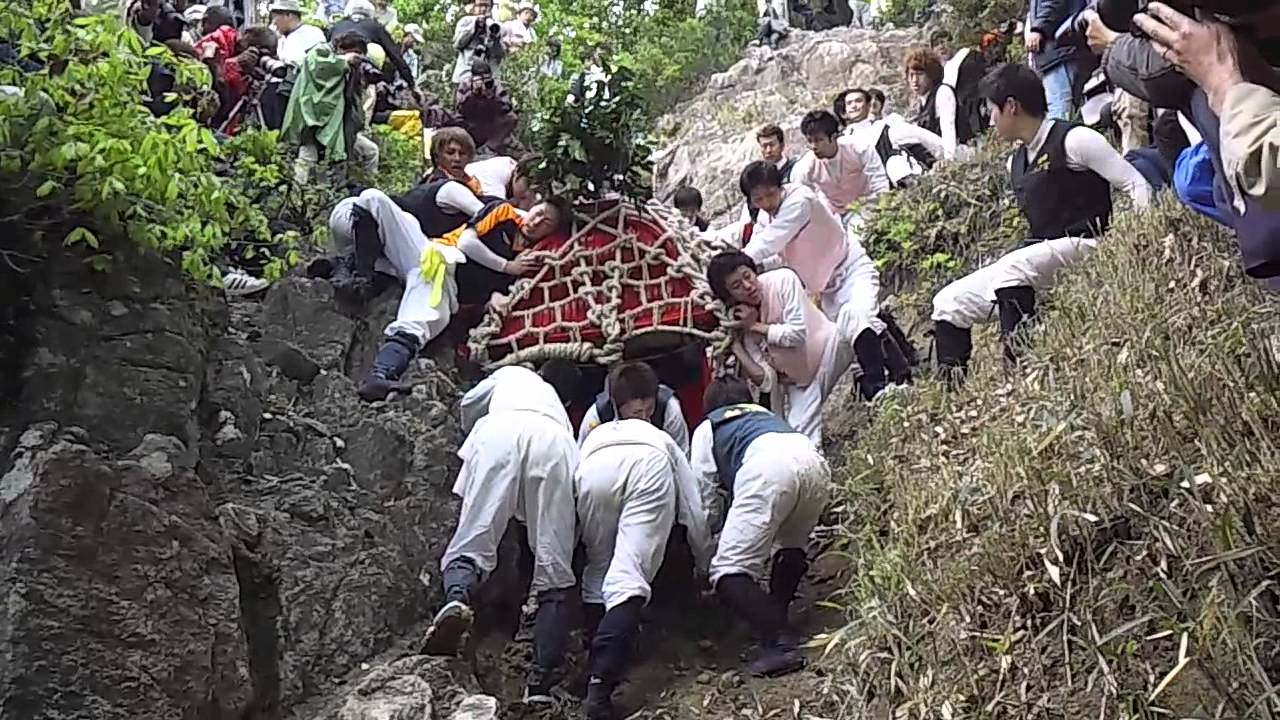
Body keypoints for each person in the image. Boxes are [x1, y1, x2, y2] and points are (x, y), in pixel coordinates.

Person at [931, 63, 1152, 377]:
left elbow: (1135, 184)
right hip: (1039, 252)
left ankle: (1019, 370)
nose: (989, 119)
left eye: (991, 109)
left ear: (1011, 107)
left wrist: (1141, 246)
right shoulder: (1016, 161)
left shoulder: (1074, 140)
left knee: (1012, 267)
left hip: (1087, 243)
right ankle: (951, 394)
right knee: (947, 301)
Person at [325, 129, 568, 400]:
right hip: (432, 250)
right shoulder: (501, 211)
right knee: (376, 200)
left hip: (439, 273)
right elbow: (467, 242)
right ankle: (356, 266)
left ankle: (381, 374)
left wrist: (497, 296)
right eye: (538, 213)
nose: (537, 221)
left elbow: (496, 288)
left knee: (429, 315)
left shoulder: (526, 258)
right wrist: (507, 266)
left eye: (546, 222)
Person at [422, 361, 582, 704]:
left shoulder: (513, 374)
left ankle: (456, 599)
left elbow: (470, 405)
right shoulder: (562, 416)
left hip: (499, 431)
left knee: (476, 530)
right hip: (555, 444)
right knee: (554, 564)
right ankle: (540, 680)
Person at [576, 366, 712, 720]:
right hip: (648, 468)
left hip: (592, 469)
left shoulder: (602, 425)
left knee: (599, 566)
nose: (647, 416)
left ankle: (594, 652)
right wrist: (704, 559)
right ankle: (601, 686)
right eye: (639, 411)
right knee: (628, 576)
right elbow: (690, 493)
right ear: (617, 403)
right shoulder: (651, 429)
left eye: (650, 410)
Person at [690, 377, 830, 676]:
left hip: (766, 471)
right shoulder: (766, 416)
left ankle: (779, 640)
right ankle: (777, 615)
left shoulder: (709, 427)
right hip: (812, 463)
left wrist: (709, 540)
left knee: (727, 570)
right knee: (791, 545)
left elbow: (705, 492)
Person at [737, 161, 892, 402]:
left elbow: (769, 243)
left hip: (848, 267)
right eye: (758, 200)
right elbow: (769, 255)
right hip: (825, 287)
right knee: (852, 328)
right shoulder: (765, 220)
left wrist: (737, 264)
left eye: (770, 194)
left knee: (859, 313)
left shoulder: (799, 199)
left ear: (781, 187)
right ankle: (898, 369)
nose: (767, 203)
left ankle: (881, 383)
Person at [707, 252, 859, 445]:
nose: (748, 286)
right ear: (729, 296)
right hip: (802, 382)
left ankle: (879, 378)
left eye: (748, 276)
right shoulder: (739, 321)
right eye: (737, 286)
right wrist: (737, 348)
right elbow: (767, 381)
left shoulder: (782, 280)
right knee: (802, 439)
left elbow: (797, 334)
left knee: (852, 316)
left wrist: (755, 326)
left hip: (830, 347)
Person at [283, 32, 380, 184]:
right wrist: (342, 61)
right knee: (307, 158)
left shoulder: (349, 67)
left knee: (368, 152)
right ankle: (295, 196)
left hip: (338, 124)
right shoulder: (320, 52)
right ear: (341, 48)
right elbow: (318, 69)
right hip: (313, 118)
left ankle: (363, 189)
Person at [790, 109, 890, 219]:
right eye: (810, 141)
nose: (814, 146)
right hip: (831, 210)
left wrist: (885, 209)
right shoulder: (807, 165)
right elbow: (800, 195)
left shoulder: (859, 148)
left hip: (866, 204)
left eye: (818, 140)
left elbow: (878, 180)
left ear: (833, 137)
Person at [578, 361, 691, 456]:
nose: (645, 418)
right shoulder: (597, 416)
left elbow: (682, 454)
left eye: (650, 409)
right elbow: (582, 457)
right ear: (618, 406)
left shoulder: (670, 409)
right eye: (637, 412)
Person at [1024, 0, 1094, 121]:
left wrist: (1038, 29)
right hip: (1064, 51)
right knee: (1076, 112)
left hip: (1060, 53)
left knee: (1060, 113)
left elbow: (1054, 3)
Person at [903, 46, 973, 162]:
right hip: (940, 153)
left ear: (931, 75)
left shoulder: (942, 92)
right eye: (911, 75)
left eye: (919, 75)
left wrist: (949, 161)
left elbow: (948, 129)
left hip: (960, 151)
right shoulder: (921, 102)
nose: (914, 80)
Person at [330, 0, 416, 88]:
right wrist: (411, 83)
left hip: (335, 67)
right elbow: (395, 56)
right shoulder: (376, 26)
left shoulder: (337, 26)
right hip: (364, 69)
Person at [456, 61, 517, 153]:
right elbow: (460, 109)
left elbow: (506, 107)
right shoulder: (465, 84)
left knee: (511, 118)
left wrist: (491, 96)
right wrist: (473, 94)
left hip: (490, 122)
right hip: (472, 124)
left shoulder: (495, 85)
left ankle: (490, 147)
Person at [453, 0, 505, 85]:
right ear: (474, 6)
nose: (483, 9)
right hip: (466, 74)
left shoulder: (495, 26)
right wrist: (474, 27)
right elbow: (458, 44)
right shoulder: (465, 21)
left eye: (487, 6)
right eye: (480, 5)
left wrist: (495, 39)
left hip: (488, 77)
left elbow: (499, 55)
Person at [269, 0, 326, 66]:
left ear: (288, 15)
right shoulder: (281, 38)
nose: (274, 23)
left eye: (275, 17)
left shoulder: (312, 33)